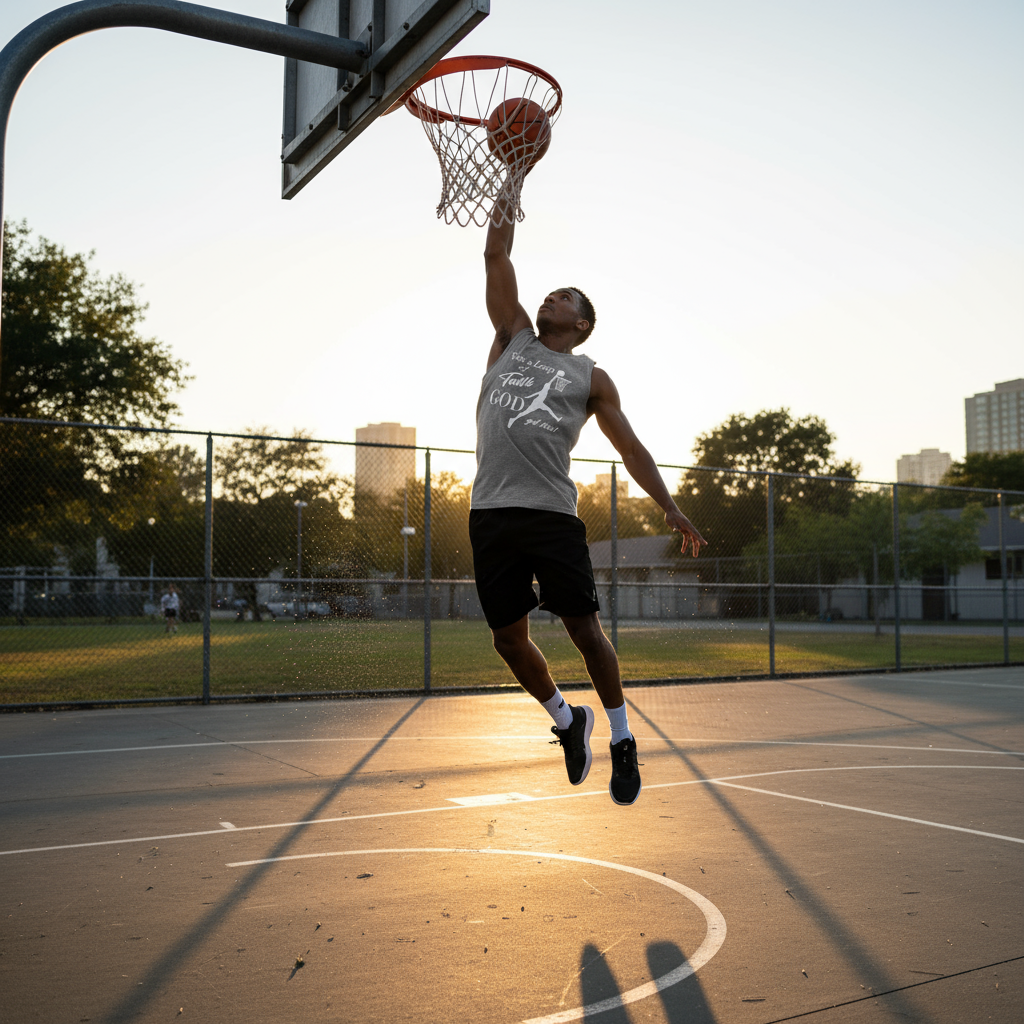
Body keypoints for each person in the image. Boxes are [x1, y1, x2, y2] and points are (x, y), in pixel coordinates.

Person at [470, 200, 706, 806]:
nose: (551, 297)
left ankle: (622, 738)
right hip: (490, 511)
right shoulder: (512, 339)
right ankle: (567, 720)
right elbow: (496, 253)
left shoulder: (591, 378)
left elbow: (631, 448)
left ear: (581, 323)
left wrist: (669, 505)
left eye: (564, 297)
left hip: (552, 514)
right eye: (550, 293)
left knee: (584, 629)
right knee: (507, 640)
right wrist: (512, 178)